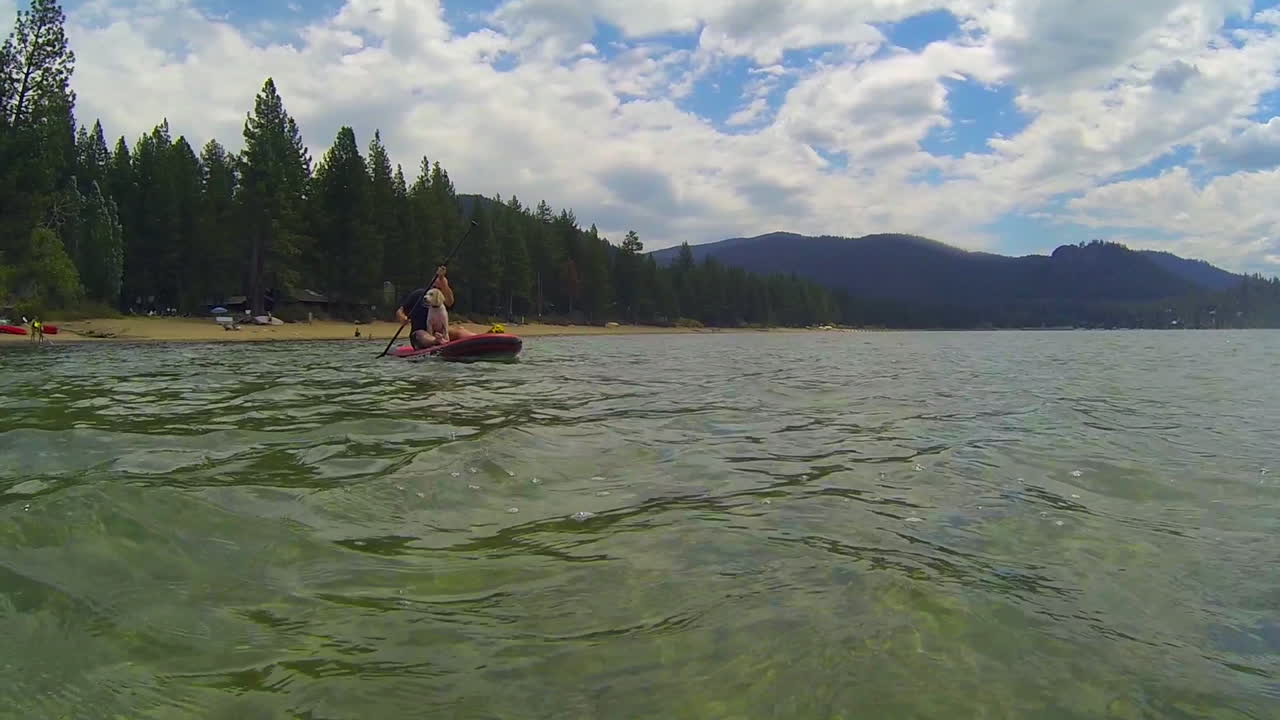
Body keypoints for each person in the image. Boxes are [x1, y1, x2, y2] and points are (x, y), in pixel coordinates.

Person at [395, 266, 477, 349]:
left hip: (440, 332)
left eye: (440, 288)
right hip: (419, 333)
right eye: (435, 287)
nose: (437, 290)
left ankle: (478, 337)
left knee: (459, 331)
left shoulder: (441, 297)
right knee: (422, 334)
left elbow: (450, 301)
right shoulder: (419, 294)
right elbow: (400, 311)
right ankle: (436, 341)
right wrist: (402, 317)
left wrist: (443, 280)